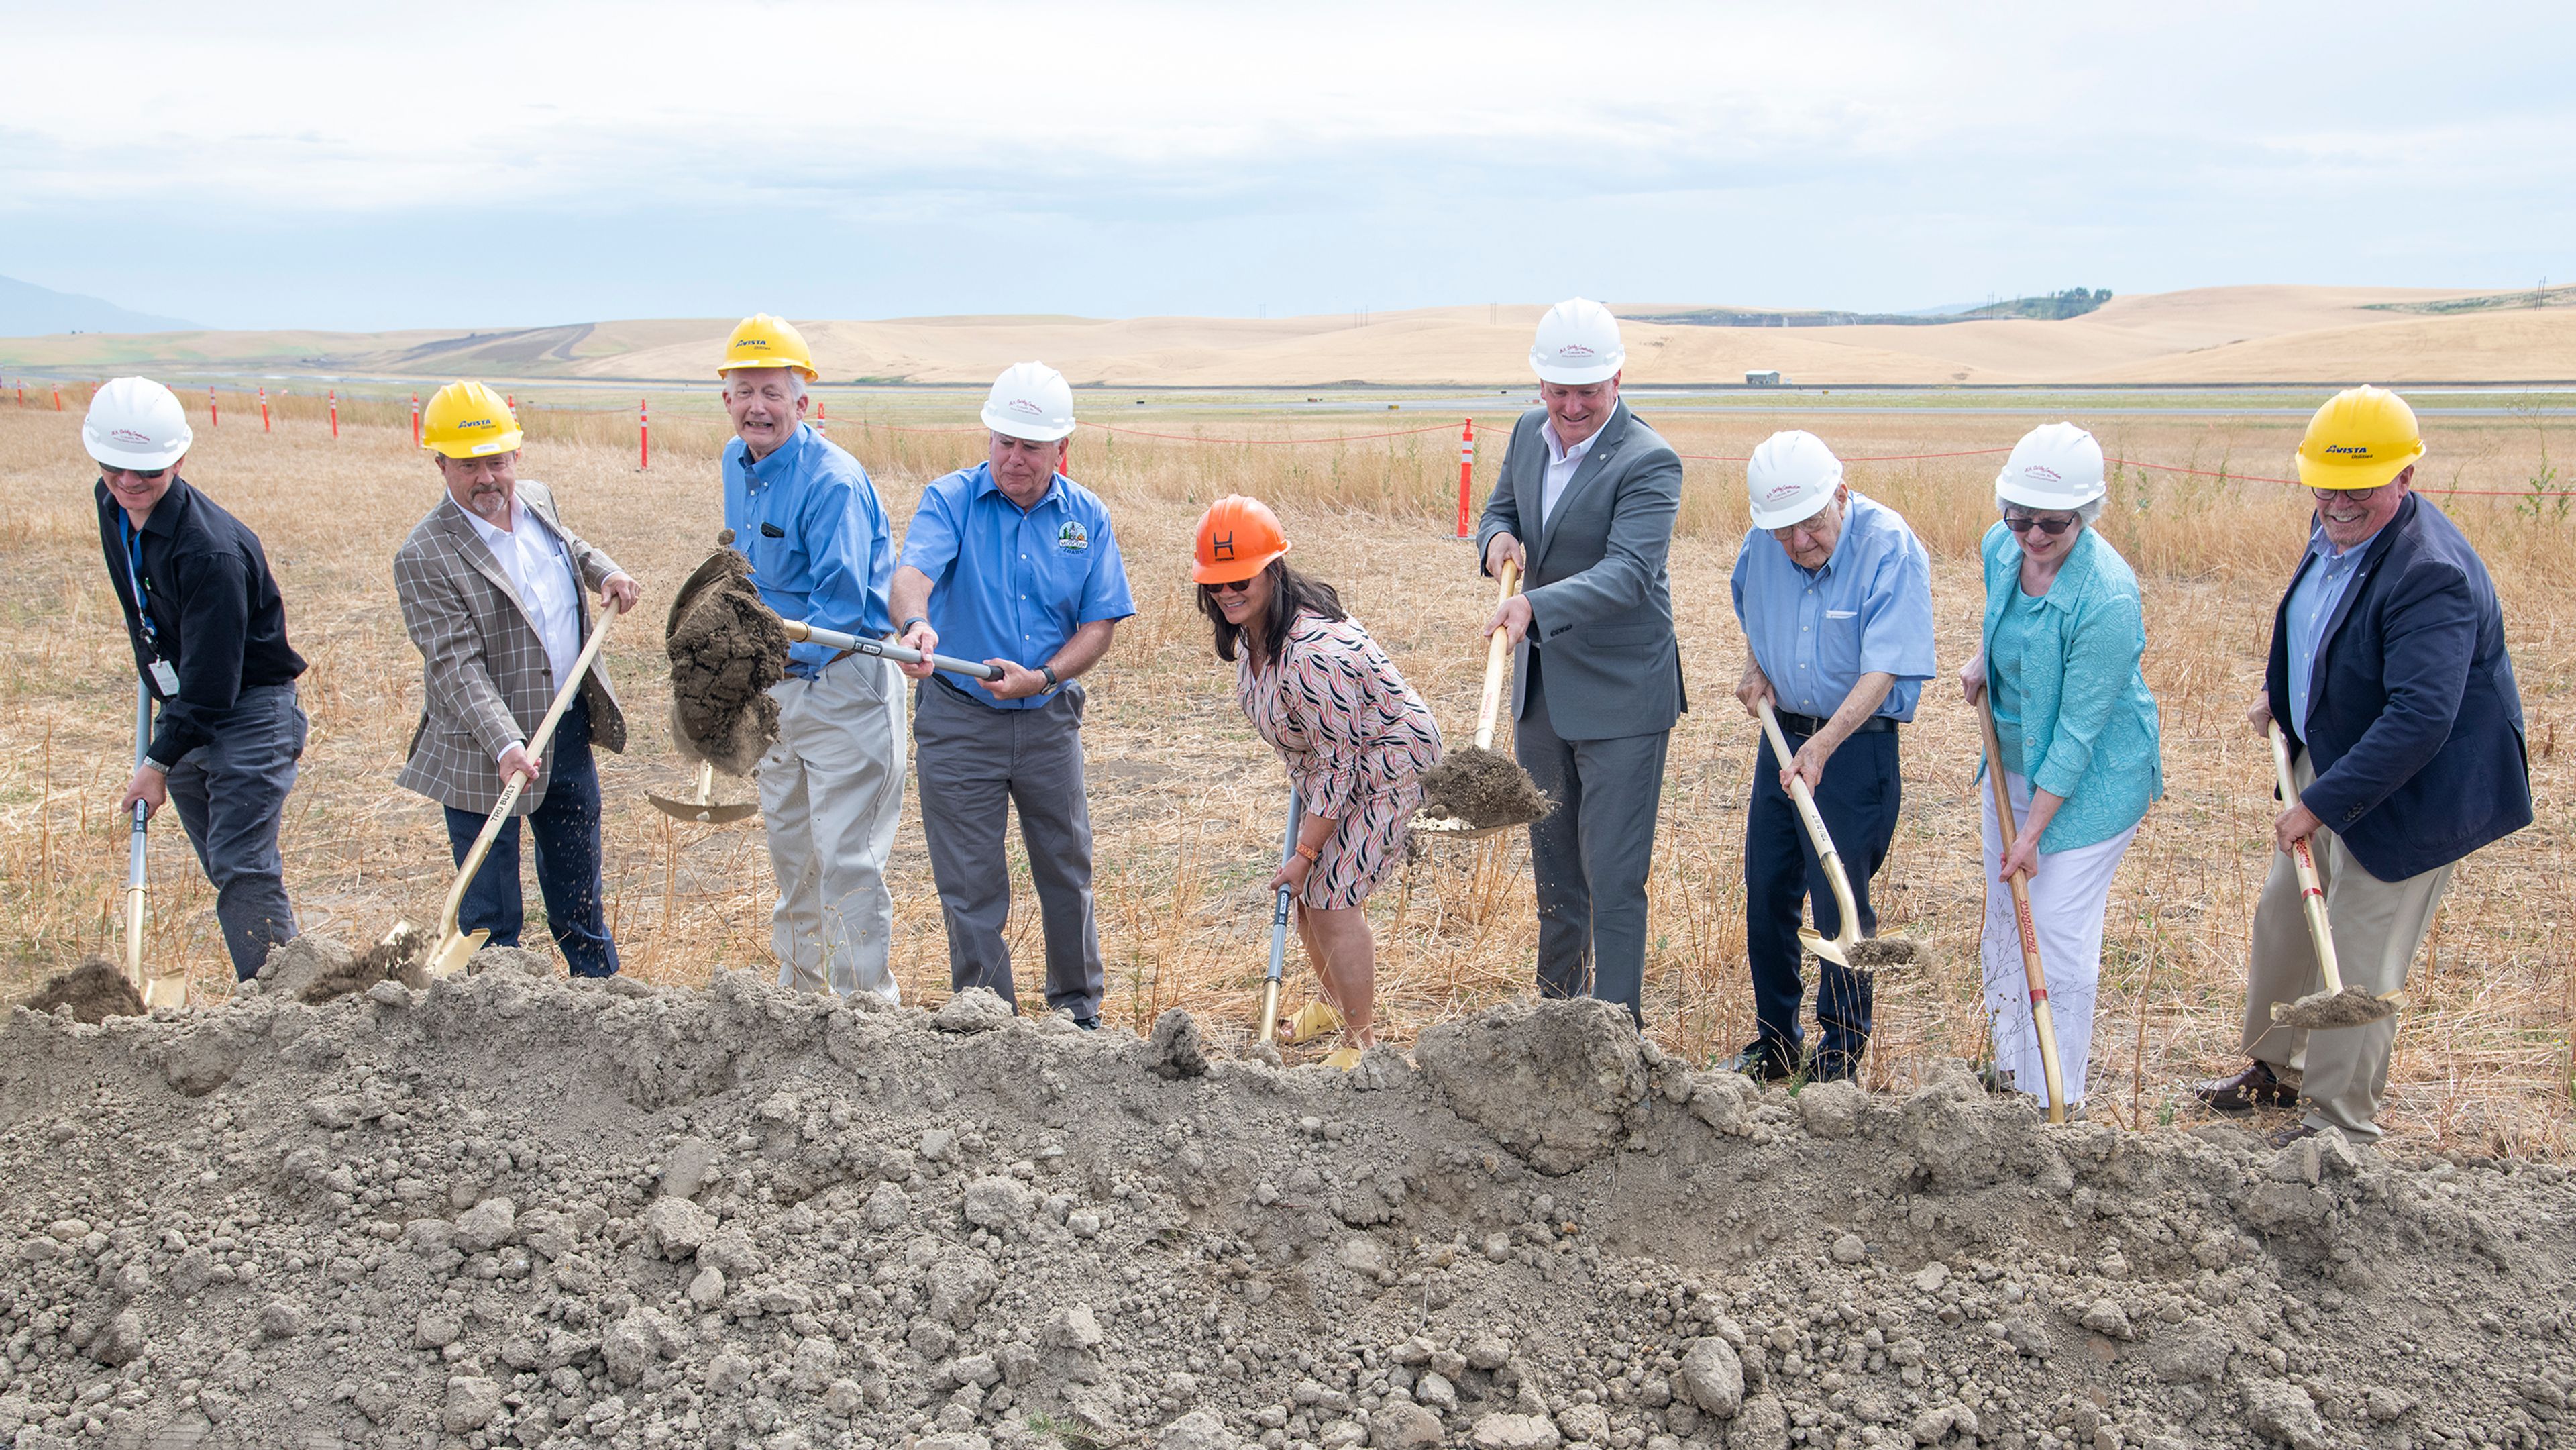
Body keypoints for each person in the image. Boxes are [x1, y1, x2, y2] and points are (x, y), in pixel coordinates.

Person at [2196, 386, 2530, 1146]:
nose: (2338, 501)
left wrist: (2318, 804)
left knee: (2357, 945)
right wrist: (2279, 696)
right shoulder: (2332, 532)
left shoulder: (2430, 573)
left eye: (2361, 486)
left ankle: (2338, 1122)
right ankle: (2273, 1072)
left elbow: (2421, 718)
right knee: (2286, 915)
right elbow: (2324, 631)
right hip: (2339, 755)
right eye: (2325, 483)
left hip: (2420, 785)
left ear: (2406, 478)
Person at [892, 362, 1135, 1025]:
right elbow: (911, 573)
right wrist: (916, 625)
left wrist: (1046, 677)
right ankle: (985, 1019)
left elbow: (1099, 623)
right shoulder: (949, 501)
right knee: (970, 882)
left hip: (1048, 720)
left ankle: (1077, 1014)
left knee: (1065, 867)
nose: (1014, 458)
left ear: (1064, 450)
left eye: (1031, 446)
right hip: (957, 720)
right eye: (1003, 440)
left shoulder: (1086, 517)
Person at [1474, 298, 1686, 1025]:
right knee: (1557, 875)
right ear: (1538, 386)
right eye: (1558, 391)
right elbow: (1500, 510)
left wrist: (1537, 606)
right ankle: (1559, 1021)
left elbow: (1630, 573)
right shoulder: (1529, 434)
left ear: (1617, 379)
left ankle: (1615, 1036)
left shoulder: (1649, 460)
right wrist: (1497, 544)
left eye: (1587, 391)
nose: (1570, 406)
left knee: (1613, 878)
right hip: (1543, 695)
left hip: (1623, 698)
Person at [393, 381, 638, 977]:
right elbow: (455, 665)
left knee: (580, 900)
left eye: (496, 461)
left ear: (516, 457)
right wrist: (506, 742)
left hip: (566, 727)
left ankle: (601, 1004)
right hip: (484, 751)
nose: (486, 478)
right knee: (490, 920)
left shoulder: (537, 499)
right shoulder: (423, 555)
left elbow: (570, 546)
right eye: (468, 464)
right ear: (441, 464)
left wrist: (604, 571)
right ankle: (496, 1031)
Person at [1194, 495, 1441, 1067]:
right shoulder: (1255, 637)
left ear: (1272, 571)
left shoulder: (1312, 654)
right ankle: (1335, 1005)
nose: (1229, 593)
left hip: (1392, 766)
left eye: (1242, 580)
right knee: (1305, 899)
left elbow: (1340, 763)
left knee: (1331, 897)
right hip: (1337, 768)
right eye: (1218, 583)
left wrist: (1305, 852)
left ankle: (1362, 1045)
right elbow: (1315, 749)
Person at [1958, 423, 2162, 1112]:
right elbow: (2005, 621)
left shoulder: (2107, 596)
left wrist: (2032, 832)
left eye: (2053, 523)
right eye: (2020, 517)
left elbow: (2077, 734)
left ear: (2087, 514)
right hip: (2013, 758)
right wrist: (1986, 660)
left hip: (2092, 780)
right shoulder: (2000, 546)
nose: (2034, 535)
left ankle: (2058, 1094)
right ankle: (2016, 1073)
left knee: (2054, 930)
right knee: (2003, 923)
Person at [1727, 430, 1935, 1081]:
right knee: (1767, 889)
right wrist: (1755, 666)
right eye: (1783, 532)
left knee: (1839, 899)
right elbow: (1757, 614)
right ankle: (1777, 1041)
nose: (1797, 544)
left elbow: (1884, 668)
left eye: (1811, 526)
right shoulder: (1764, 545)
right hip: (1781, 737)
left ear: (1841, 495)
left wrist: (1822, 744)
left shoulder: (1890, 547)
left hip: (1853, 746)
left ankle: (1841, 1053)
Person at [88, 376, 309, 981]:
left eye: (148, 473)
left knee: (241, 863)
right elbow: (141, 608)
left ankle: (279, 1011)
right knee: (227, 863)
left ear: (178, 461)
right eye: (115, 468)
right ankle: (292, 975)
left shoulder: (209, 551)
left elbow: (214, 683)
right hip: (186, 704)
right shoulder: (111, 504)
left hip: (249, 707)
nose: (129, 484)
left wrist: (157, 764)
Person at [715, 313, 906, 1002]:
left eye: (773, 392)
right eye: (745, 391)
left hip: (840, 687)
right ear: (727, 400)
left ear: (803, 402)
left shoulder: (834, 482)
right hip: (776, 694)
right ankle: (797, 1005)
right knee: (793, 858)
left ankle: (865, 1019)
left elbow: (843, 608)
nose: (758, 407)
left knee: (847, 861)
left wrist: (756, 651)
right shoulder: (740, 465)